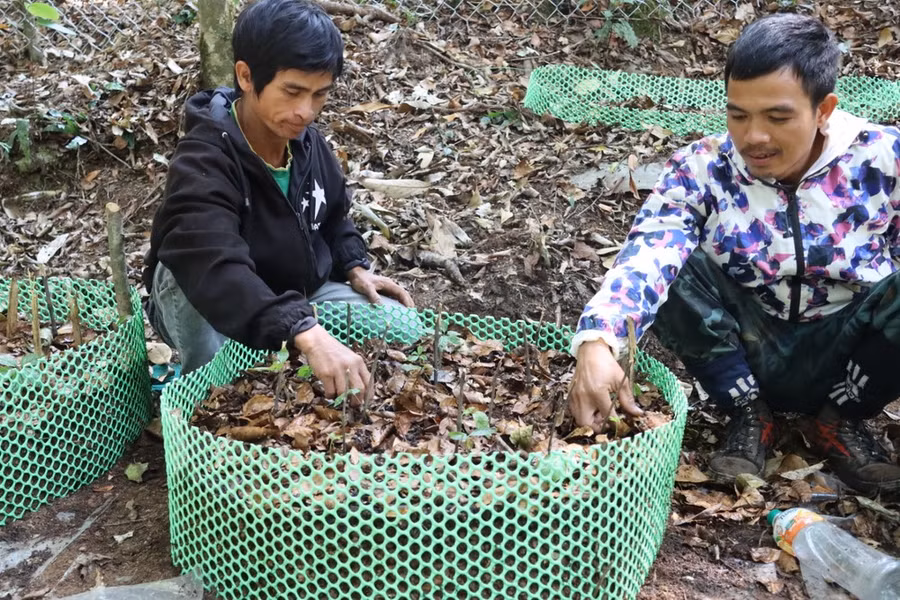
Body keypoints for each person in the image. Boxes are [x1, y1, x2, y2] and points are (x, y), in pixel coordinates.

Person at [569, 13, 900, 494]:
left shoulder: (883, 160)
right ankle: (749, 414)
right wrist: (599, 341)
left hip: (851, 345)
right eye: (738, 114)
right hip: (747, 346)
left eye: (778, 117)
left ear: (824, 108)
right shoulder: (701, 167)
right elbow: (650, 249)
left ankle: (840, 420)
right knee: (674, 268)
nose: (754, 137)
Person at [143, 0, 415, 398]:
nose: (305, 112)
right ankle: (201, 383)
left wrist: (354, 265)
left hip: (293, 293)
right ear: (246, 76)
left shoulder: (305, 142)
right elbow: (213, 265)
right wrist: (304, 330)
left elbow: (336, 216)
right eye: (292, 92)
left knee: (404, 327)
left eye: (319, 95)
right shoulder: (204, 159)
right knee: (227, 392)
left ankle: (286, 337)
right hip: (212, 296)